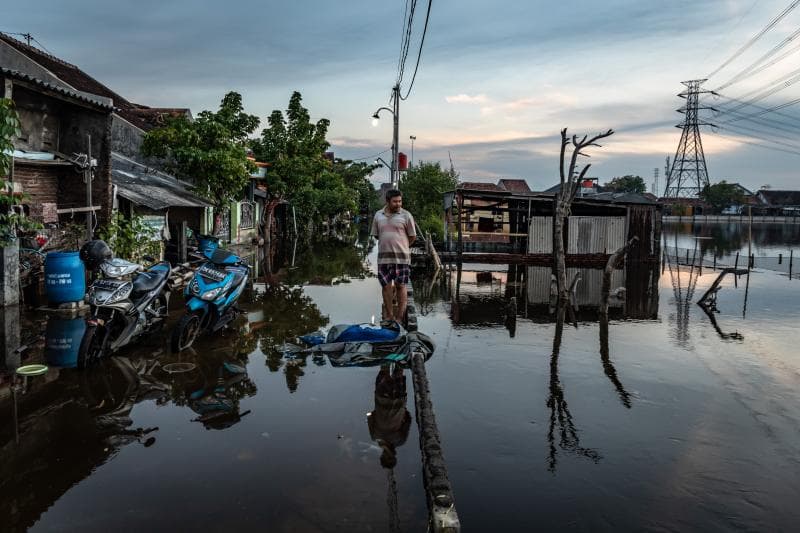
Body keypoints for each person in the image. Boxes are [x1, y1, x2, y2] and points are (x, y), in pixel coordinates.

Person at [370, 189, 416, 325]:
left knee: (401, 286)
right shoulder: (378, 215)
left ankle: (400, 317)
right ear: (387, 201)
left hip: (401, 258)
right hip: (384, 258)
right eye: (395, 201)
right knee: (386, 286)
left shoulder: (406, 215)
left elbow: (412, 237)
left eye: (400, 201)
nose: (398, 204)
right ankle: (389, 316)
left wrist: (401, 246)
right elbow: (377, 235)